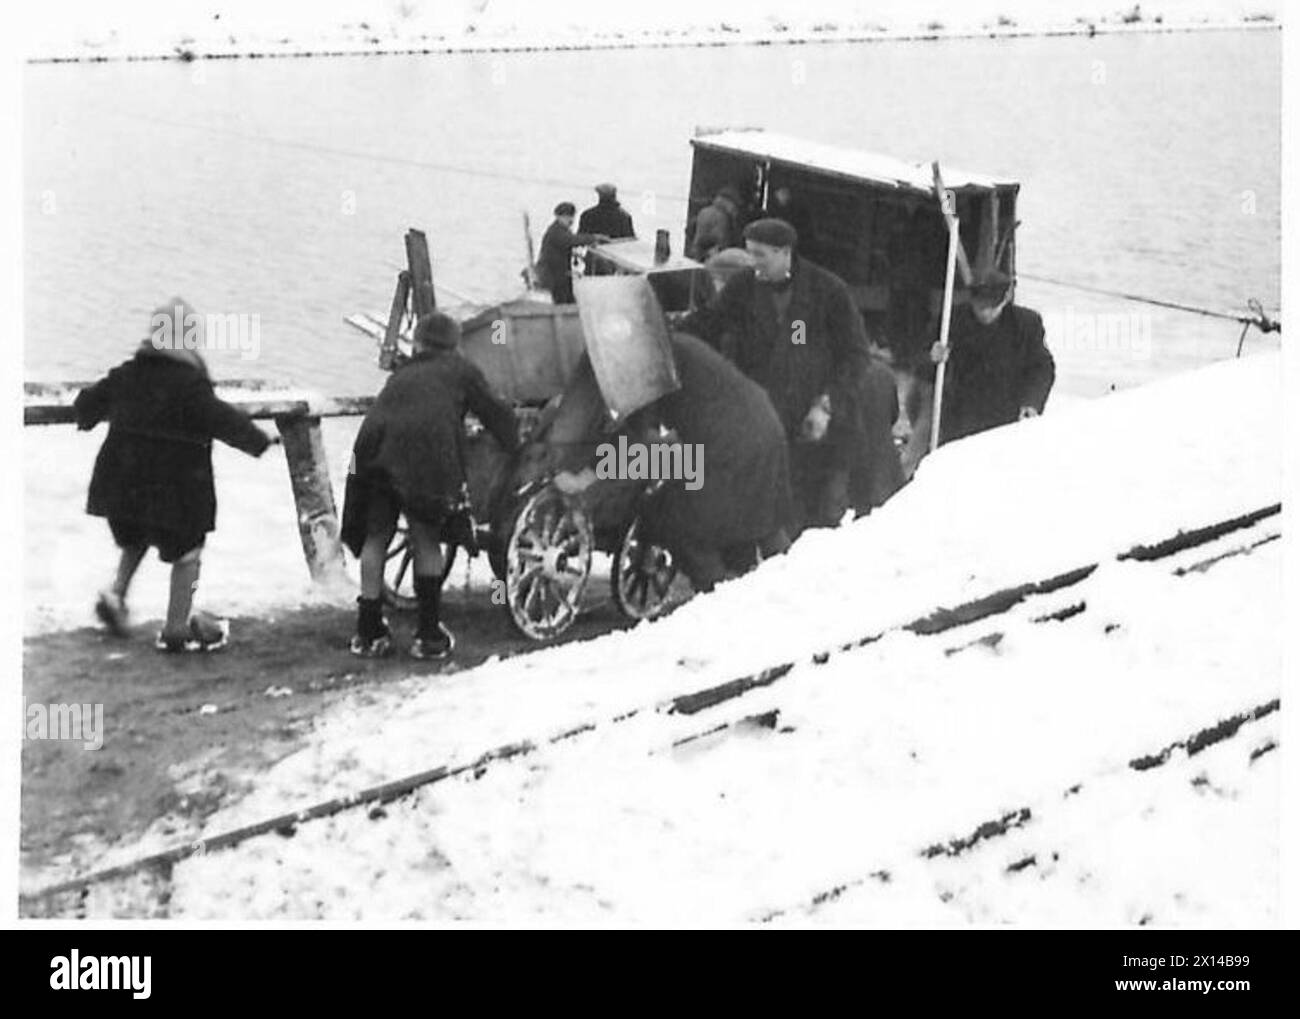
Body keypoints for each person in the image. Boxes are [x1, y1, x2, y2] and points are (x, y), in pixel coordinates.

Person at [74, 298, 275, 652]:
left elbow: (86, 405)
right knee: (187, 553)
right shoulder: (190, 383)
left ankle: (116, 594)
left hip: (120, 485)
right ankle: (177, 626)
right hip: (176, 490)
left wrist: (88, 416)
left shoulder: (127, 374)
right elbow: (220, 418)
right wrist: (260, 440)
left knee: (136, 534)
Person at [681, 218, 897, 532]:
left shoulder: (828, 291)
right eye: (750, 253)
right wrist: (673, 335)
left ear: (784, 253)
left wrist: (826, 404)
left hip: (821, 429)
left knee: (819, 514)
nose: (753, 263)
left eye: (760, 255)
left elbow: (855, 356)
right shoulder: (743, 287)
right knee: (773, 505)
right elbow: (710, 322)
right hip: (767, 417)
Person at [341, 311, 519, 659]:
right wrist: (515, 445)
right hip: (423, 458)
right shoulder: (461, 370)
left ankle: (368, 632)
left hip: (372, 451)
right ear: (455, 345)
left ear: (418, 343)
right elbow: (495, 412)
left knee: (376, 537)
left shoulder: (403, 372)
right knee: (425, 537)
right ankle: (428, 634)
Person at [626, 332, 794, 592]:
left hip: (729, 442)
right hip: (764, 424)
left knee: (677, 517)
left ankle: (718, 596)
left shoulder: (651, 358)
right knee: (763, 521)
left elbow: (640, 432)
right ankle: (795, 586)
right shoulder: (678, 345)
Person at [903, 269, 1055, 474]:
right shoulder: (951, 319)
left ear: (1004, 301)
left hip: (1004, 410)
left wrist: (1031, 403)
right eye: (979, 307)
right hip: (959, 412)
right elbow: (918, 365)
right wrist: (933, 358)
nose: (984, 313)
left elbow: (1042, 367)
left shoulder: (1026, 324)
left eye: (991, 308)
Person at [536, 202, 608, 304]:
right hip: (553, 276)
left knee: (568, 299)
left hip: (560, 274)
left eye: (572, 216)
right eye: (566, 217)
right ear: (558, 216)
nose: (571, 220)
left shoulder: (562, 230)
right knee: (563, 300)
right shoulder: (556, 232)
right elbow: (571, 240)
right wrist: (594, 238)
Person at [688, 185, 743, 262]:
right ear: (730, 202)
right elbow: (722, 239)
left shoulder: (704, 211)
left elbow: (691, 229)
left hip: (698, 251)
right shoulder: (723, 216)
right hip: (715, 255)